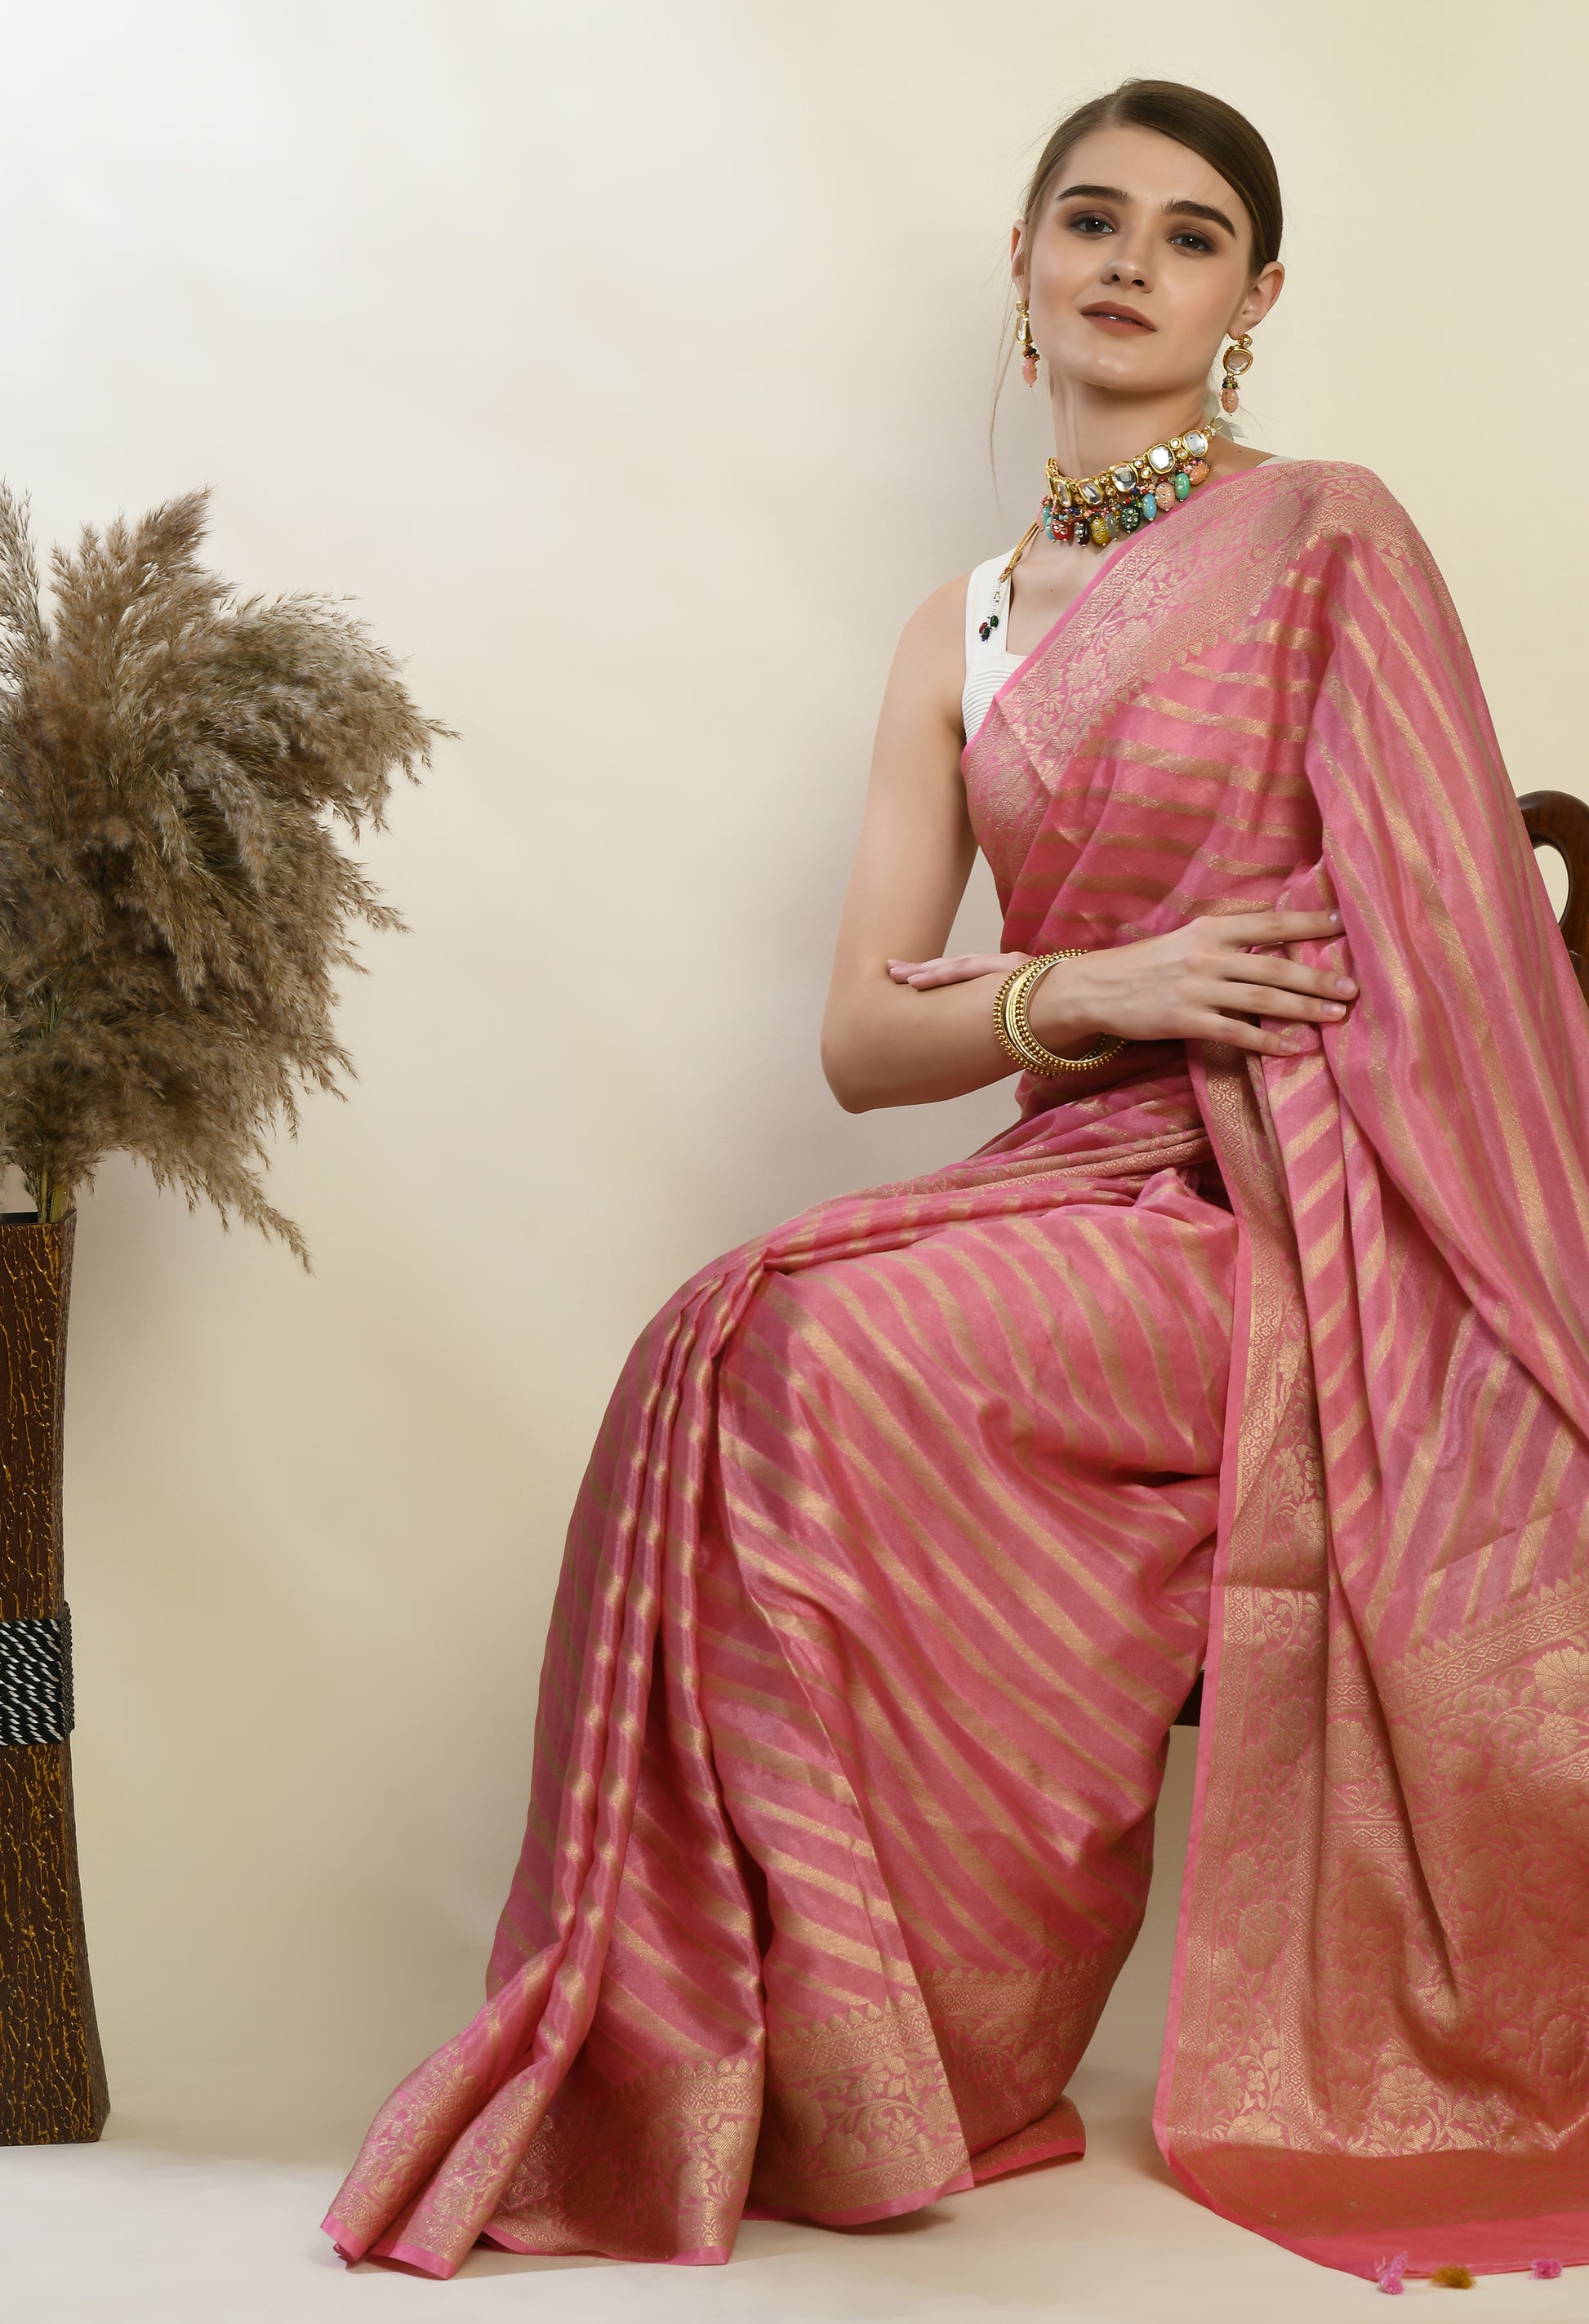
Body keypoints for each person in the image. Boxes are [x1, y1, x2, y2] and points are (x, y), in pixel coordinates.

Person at [324, 80, 1589, 2286]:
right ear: (1021, 265)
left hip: (1304, 1223)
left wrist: (1242, 1046)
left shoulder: (1326, 538)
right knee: (741, 1340)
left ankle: (897, 2052)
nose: (1130, 262)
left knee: (806, 1341)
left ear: (1254, 297)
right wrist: (1100, 983)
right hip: (1082, 1177)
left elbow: (1456, 944)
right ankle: (839, 2070)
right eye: (1089, 220)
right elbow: (864, 1036)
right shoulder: (961, 632)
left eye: (1188, 236)